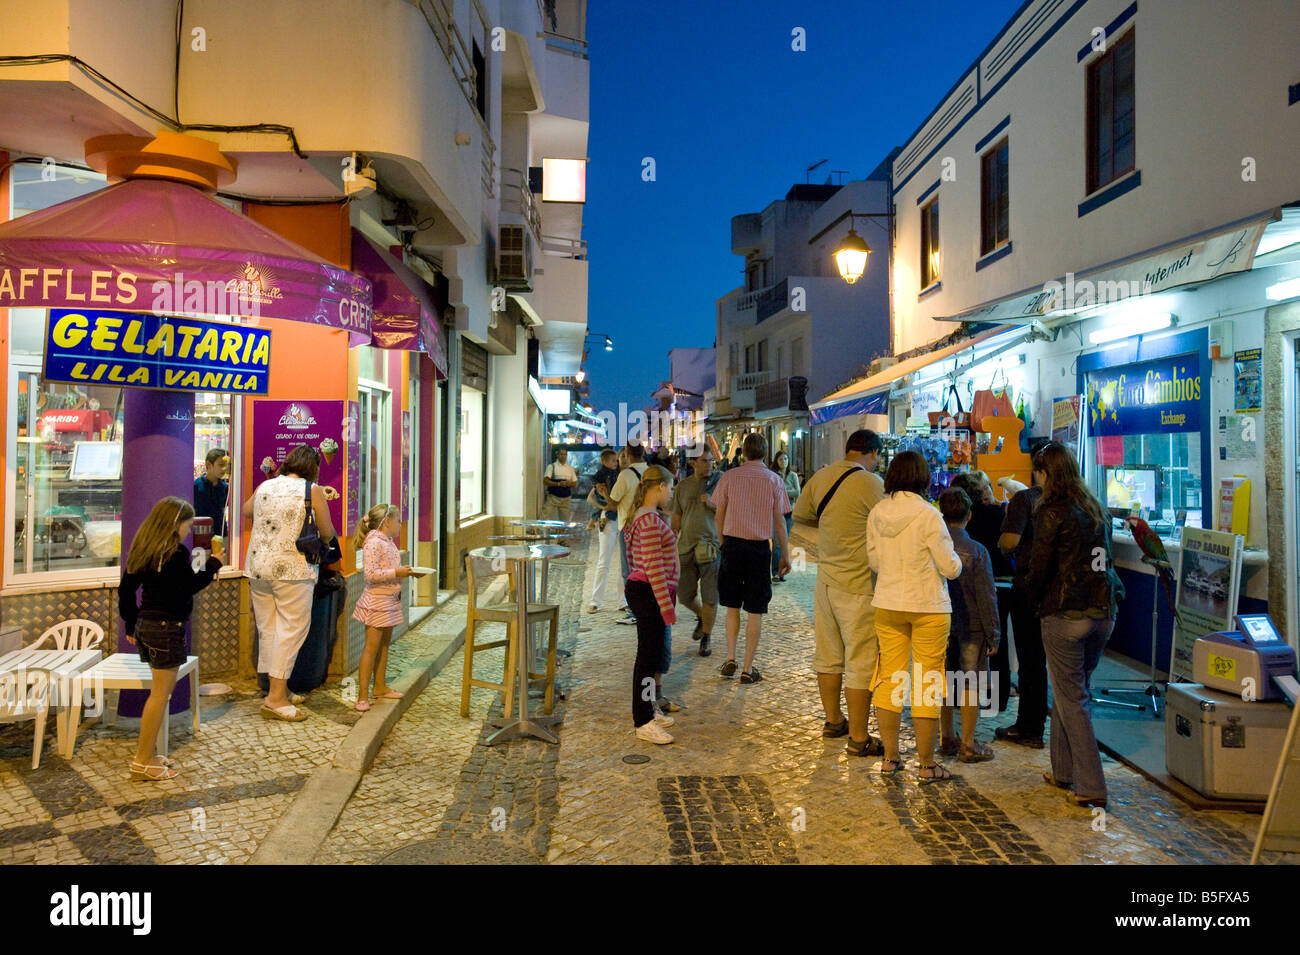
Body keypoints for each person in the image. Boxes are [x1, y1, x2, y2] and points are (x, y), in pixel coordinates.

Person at [1024, 443, 1125, 810]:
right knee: (1070, 691)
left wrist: (1031, 600)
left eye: (1038, 472)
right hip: (1102, 614)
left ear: (1046, 473)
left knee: (1071, 698)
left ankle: (1091, 785)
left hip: (1065, 614)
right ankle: (1063, 770)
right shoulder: (1096, 509)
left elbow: (1040, 566)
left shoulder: (1051, 511)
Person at [866, 450, 962, 781]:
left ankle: (891, 758)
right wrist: (958, 561)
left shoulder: (877, 513)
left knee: (890, 678)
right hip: (928, 607)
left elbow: (875, 563)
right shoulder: (929, 515)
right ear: (922, 478)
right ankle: (926, 764)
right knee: (926, 683)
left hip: (888, 604)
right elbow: (949, 568)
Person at [793, 429, 885, 756]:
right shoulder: (872, 485)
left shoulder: (820, 477)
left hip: (825, 581)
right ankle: (859, 739)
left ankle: (833, 720)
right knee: (860, 659)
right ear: (871, 453)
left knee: (829, 654)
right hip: (859, 584)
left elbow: (801, 515)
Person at [119, 497, 223, 780]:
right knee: (159, 696)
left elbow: (125, 590)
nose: (187, 531)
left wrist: (131, 623)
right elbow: (188, 587)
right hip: (165, 628)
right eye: (186, 526)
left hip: (146, 626)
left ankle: (149, 755)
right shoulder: (174, 553)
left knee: (157, 694)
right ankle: (141, 761)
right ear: (174, 524)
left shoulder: (144, 549)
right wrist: (213, 564)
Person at [242, 444, 337, 721]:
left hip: (259, 568)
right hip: (293, 569)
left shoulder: (266, 486)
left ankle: (277, 689)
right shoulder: (312, 490)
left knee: (269, 629)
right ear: (313, 468)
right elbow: (327, 531)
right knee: (291, 629)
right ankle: (275, 698)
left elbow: (248, 510)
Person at [712, 432, 790, 684]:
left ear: (743, 453)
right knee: (755, 609)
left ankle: (730, 656)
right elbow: (780, 523)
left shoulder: (729, 477)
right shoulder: (773, 480)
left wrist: (724, 543)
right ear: (766, 453)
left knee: (732, 605)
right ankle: (747, 668)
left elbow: (718, 516)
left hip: (732, 546)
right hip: (758, 549)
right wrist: (784, 554)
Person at [937, 488, 1000, 763]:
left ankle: (946, 736)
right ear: (969, 515)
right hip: (972, 626)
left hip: (940, 621)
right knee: (970, 681)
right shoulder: (978, 551)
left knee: (943, 680)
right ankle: (968, 743)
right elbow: (987, 596)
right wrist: (994, 633)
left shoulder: (933, 546)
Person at [624, 465, 680, 744]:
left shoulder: (645, 517)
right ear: (659, 488)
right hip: (649, 592)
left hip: (647, 591)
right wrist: (666, 607)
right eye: (670, 487)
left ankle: (649, 709)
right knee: (646, 660)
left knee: (651, 656)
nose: (671, 493)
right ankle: (642, 721)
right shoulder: (648, 522)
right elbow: (653, 567)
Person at [995, 456, 1049, 748]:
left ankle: (1030, 727)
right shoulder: (1081, 499)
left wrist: (1003, 547)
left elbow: (1009, 542)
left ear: (1038, 472)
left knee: (1031, 660)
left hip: (1029, 588)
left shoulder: (1025, 499)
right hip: (1067, 593)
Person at [351, 503, 424, 712]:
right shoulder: (374, 543)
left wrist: (408, 573)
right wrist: (398, 573)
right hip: (377, 602)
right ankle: (362, 696)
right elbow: (371, 574)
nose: (401, 525)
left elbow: (389, 568)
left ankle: (380, 687)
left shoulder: (388, 542)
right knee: (371, 648)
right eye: (398, 521)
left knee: (384, 646)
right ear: (387, 522)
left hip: (390, 600)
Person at [950, 470, 1012, 712]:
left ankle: (959, 695)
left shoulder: (957, 522)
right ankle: (996, 698)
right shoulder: (998, 514)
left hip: (964, 586)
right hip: (1001, 584)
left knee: (963, 640)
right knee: (997, 641)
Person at [670, 447, 720, 658]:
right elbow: (676, 518)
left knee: (710, 597)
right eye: (704, 461)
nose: (709, 465)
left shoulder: (721, 482)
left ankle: (706, 636)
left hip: (711, 547)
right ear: (693, 463)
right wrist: (671, 541)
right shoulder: (683, 487)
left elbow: (731, 510)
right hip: (686, 548)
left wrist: (712, 504)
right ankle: (702, 617)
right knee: (684, 596)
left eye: (710, 461)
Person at [609, 442, 648, 626]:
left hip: (628, 528)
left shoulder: (625, 475)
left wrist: (602, 493)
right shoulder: (651, 472)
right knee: (646, 568)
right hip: (648, 526)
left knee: (629, 571)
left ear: (629, 455)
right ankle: (648, 607)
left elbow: (612, 502)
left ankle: (634, 610)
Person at [586, 448, 622, 613]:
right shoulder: (604, 477)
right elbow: (591, 497)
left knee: (624, 563)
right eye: (615, 460)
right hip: (608, 519)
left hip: (621, 518)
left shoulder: (622, 475)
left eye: (618, 460)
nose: (617, 462)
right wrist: (604, 508)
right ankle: (595, 601)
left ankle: (623, 601)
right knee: (604, 560)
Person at [769, 450, 800, 583]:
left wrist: (782, 492)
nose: (784, 461)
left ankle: (781, 570)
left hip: (789, 513)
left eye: (786, 459)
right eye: (781, 459)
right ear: (776, 461)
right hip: (776, 513)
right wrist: (787, 493)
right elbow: (772, 493)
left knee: (784, 542)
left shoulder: (792, 476)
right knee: (777, 543)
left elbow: (797, 492)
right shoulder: (773, 475)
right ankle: (776, 571)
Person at [193, 448, 230, 537]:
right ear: (209, 464)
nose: (224, 469)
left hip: (220, 533)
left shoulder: (225, 488)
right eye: (221, 465)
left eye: (226, 465)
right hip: (199, 533)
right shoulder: (196, 486)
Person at [542, 448, 578, 522]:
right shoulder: (552, 466)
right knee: (545, 515)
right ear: (557, 455)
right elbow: (545, 481)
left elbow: (574, 482)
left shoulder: (570, 468)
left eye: (565, 454)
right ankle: (540, 531)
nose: (563, 456)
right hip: (553, 497)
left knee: (565, 520)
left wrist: (569, 483)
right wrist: (558, 484)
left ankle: (562, 532)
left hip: (566, 498)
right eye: (561, 454)